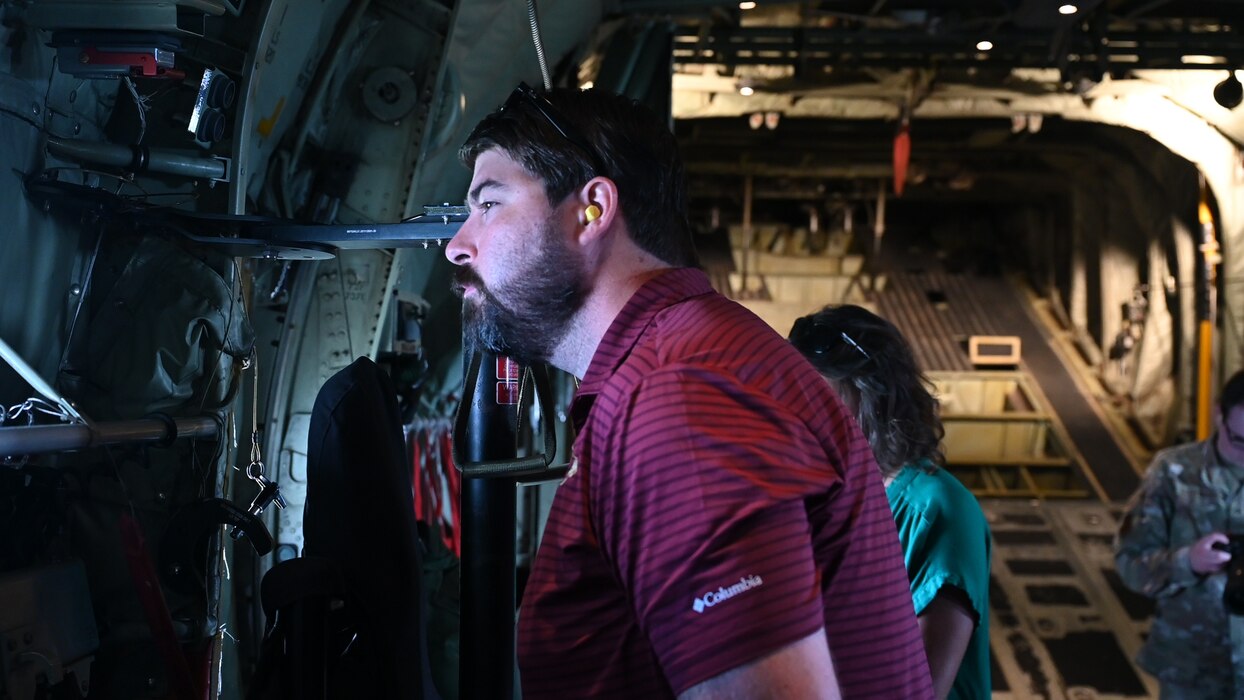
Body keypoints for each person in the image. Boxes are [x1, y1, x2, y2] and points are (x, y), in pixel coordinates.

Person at [444, 83, 933, 698]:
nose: (457, 245)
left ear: (591, 210)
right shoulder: (682, 362)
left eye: (488, 204)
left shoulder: (677, 401)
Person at [789, 304, 992, 700]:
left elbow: (922, 686)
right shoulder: (821, 490)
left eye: (818, 397)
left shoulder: (939, 511)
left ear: (875, 400)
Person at [1115, 369, 1244, 698]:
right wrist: (1189, 561)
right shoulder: (1173, 473)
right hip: (1192, 669)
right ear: (1219, 415)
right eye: (1240, 442)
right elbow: (1130, 563)